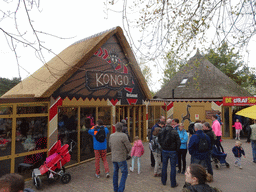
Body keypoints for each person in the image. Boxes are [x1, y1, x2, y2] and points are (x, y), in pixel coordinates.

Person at [109, 122, 132, 192]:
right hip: (121, 157)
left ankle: (115, 189)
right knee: (124, 173)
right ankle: (120, 189)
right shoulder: (124, 136)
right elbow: (128, 147)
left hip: (114, 157)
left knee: (115, 173)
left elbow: (110, 145)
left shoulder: (111, 136)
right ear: (122, 128)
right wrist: (126, 153)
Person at [158, 118, 180, 188]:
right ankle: (173, 183)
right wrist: (176, 149)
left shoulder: (162, 130)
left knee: (164, 166)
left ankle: (163, 181)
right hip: (172, 151)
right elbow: (178, 142)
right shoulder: (174, 132)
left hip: (165, 150)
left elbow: (159, 139)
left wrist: (162, 146)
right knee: (173, 167)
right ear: (171, 123)